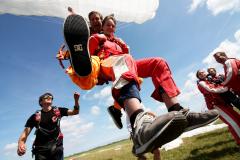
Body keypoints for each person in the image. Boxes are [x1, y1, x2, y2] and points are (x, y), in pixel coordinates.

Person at [88, 14, 219, 156]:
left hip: (125, 62)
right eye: (108, 25)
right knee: (125, 60)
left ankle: (179, 111)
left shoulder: (119, 42)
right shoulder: (96, 37)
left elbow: (128, 56)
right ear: (102, 26)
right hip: (107, 64)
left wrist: (124, 46)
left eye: (113, 25)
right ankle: (139, 125)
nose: (111, 27)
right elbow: (86, 54)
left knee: (158, 63)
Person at [17, 92, 80, 159]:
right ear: (41, 102)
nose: (49, 96)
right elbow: (25, 133)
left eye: (51, 97)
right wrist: (21, 144)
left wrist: (76, 100)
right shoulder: (35, 116)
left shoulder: (58, 110)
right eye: (46, 96)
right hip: (40, 151)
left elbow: (75, 112)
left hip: (56, 147)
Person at [196, 70, 240, 145]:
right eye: (200, 74)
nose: (202, 74)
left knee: (237, 118)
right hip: (215, 105)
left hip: (223, 103)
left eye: (203, 72)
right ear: (198, 77)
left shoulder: (210, 80)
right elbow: (212, 90)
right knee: (233, 121)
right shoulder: (201, 83)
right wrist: (225, 88)